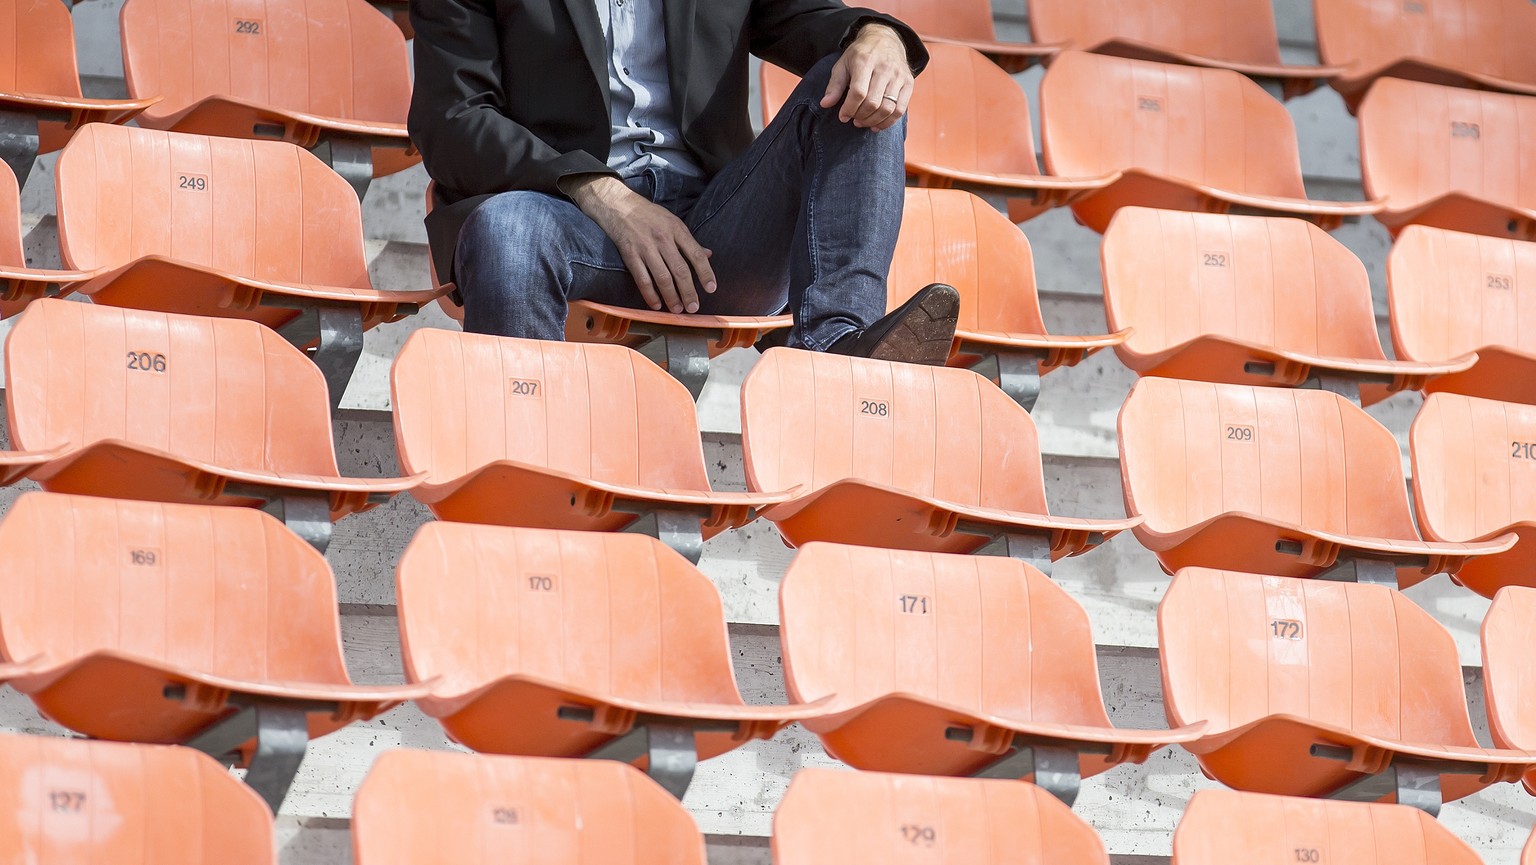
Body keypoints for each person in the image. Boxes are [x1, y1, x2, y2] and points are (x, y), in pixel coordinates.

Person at [409, 0, 961, 365]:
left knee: (858, 78)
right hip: (566, 216)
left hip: (712, 234)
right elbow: (452, 121)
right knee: (508, 230)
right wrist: (602, 194)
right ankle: (522, 457)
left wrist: (877, 35)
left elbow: (808, 16)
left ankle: (838, 346)